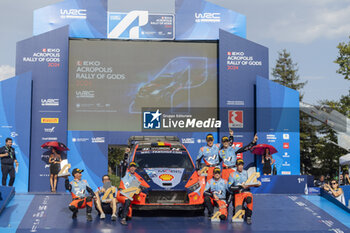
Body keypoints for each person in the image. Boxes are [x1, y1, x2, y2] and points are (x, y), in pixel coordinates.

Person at [228, 159, 258, 225]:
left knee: (249, 199)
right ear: (236, 165)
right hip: (238, 193)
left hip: (246, 192)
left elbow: (250, 182)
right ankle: (242, 210)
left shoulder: (246, 172)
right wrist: (240, 186)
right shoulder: (232, 175)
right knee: (238, 215)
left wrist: (256, 184)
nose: (241, 166)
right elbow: (230, 187)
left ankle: (248, 217)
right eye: (239, 165)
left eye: (242, 165)